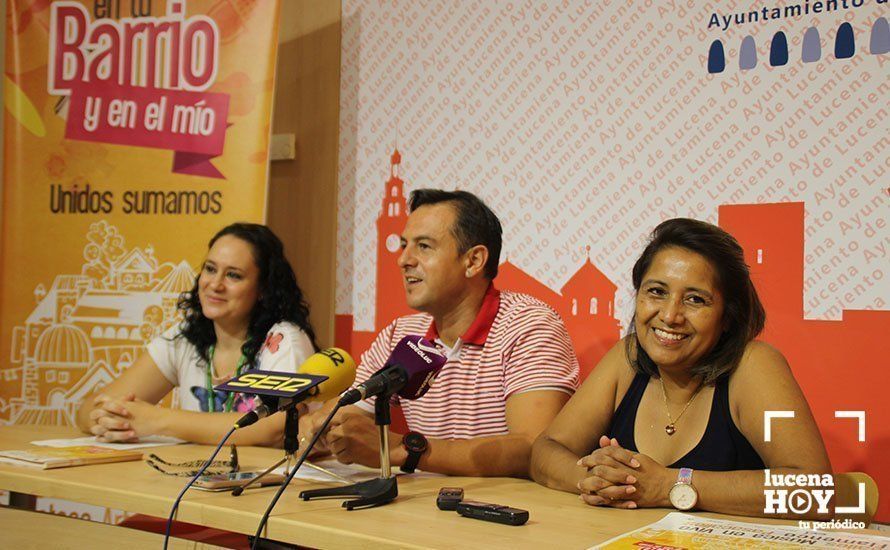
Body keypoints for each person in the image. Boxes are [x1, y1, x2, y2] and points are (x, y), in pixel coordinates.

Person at [530, 218, 832, 519]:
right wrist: (597, 480)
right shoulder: (629, 355)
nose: (671, 315)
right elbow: (547, 449)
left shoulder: (753, 365)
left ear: (727, 316)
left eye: (695, 300)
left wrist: (669, 486)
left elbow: (816, 492)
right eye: (657, 292)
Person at [304, 189, 578, 477]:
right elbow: (348, 414)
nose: (403, 260)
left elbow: (533, 448)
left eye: (423, 246)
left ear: (473, 261)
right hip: (421, 509)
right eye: (404, 245)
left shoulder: (529, 325)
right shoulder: (401, 333)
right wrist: (326, 430)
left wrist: (402, 449)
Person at [75, 223, 318, 446]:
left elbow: (279, 425)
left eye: (233, 275)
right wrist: (108, 419)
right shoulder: (186, 338)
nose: (215, 284)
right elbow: (87, 410)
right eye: (210, 269)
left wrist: (158, 420)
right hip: (197, 486)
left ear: (264, 288)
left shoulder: (283, 339)